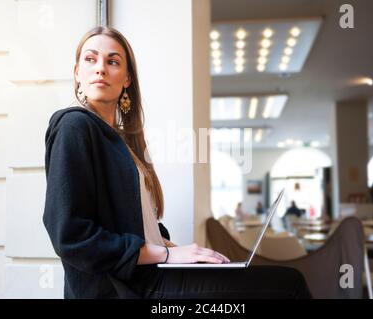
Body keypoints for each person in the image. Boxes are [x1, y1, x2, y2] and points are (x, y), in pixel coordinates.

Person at [43, 26, 311, 299]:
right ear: (77, 72)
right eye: (91, 59)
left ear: (127, 79)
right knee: (288, 285)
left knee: (274, 280)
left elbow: (139, 226)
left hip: (153, 273)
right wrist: (169, 254)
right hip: (126, 287)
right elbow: (71, 236)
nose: (100, 68)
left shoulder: (123, 143)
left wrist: (186, 252)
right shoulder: (73, 125)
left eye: (113, 62)